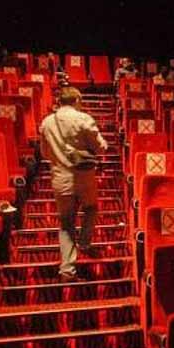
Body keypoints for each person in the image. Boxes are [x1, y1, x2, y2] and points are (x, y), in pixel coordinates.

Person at [38, 86, 109, 282]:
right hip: (84, 178)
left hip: (60, 179)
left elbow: (44, 153)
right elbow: (100, 147)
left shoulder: (47, 122)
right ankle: (84, 242)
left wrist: (60, 158)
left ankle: (67, 270)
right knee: (91, 208)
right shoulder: (83, 119)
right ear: (77, 100)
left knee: (66, 223)